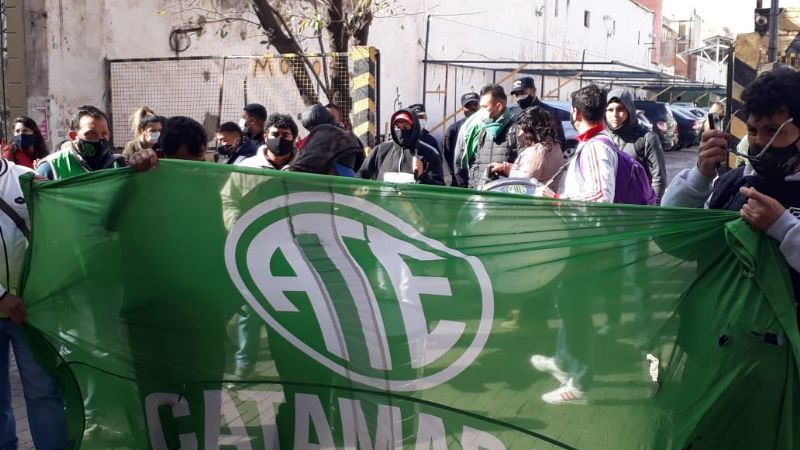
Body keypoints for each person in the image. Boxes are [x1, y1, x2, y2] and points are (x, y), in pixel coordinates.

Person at [662, 66, 800, 304]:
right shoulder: (731, 185)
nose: (760, 142)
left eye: (774, 131)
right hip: (721, 332)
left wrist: (784, 228)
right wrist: (699, 177)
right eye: (753, 130)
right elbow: (673, 241)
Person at [0, 156, 68, 449]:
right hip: (8, 302)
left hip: (30, 309)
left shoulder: (25, 177)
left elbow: (56, 231)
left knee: (43, 390)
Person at [37, 105, 157, 180]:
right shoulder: (51, 168)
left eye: (105, 134)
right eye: (91, 134)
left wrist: (144, 164)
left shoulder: (118, 165)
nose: (100, 139)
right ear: (73, 136)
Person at [543, 84, 618, 202]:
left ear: (576, 113)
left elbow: (601, 196)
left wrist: (558, 200)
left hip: (588, 220)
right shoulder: (595, 141)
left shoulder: (595, 146)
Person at [606, 88, 668, 202]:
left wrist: (653, 207)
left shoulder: (647, 138)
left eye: (620, 109)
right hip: (611, 208)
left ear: (629, 110)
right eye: (610, 110)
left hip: (638, 210)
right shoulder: (604, 138)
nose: (614, 115)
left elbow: (659, 178)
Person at [454, 84, 519, 188]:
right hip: (481, 192)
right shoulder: (483, 129)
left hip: (505, 194)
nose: (481, 111)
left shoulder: (516, 130)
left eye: (484, 107)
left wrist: (505, 169)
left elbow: (525, 168)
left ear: (498, 106)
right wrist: (474, 184)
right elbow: (476, 161)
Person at [357, 109, 444, 185]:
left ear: (414, 127)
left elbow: (439, 190)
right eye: (398, 127)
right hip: (382, 203)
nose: (401, 131)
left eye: (406, 126)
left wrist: (423, 175)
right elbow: (361, 175)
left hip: (415, 203)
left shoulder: (430, 153)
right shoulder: (381, 150)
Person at [488, 106, 564, 183]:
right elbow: (528, 170)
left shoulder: (536, 152)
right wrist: (506, 167)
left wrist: (508, 172)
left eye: (521, 129)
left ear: (531, 130)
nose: (519, 134)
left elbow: (524, 181)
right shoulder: (553, 145)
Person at [509, 76, 567, 147]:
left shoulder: (548, 112)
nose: (519, 97)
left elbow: (560, 141)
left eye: (522, 92)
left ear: (534, 90)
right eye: (517, 94)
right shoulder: (514, 113)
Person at [442, 93, 480, 186]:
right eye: (468, 105)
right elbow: (447, 155)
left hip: (481, 178)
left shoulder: (487, 125)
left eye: (475, 104)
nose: (472, 108)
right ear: (462, 108)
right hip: (461, 181)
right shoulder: (453, 129)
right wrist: (455, 178)